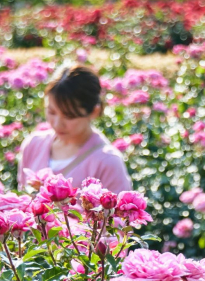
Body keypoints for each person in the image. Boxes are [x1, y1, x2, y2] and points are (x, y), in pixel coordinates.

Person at [17, 65, 131, 193]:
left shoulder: (107, 162)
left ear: (94, 111)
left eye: (69, 116)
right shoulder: (34, 145)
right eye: (52, 112)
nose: (58, 124)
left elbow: (119, 213)